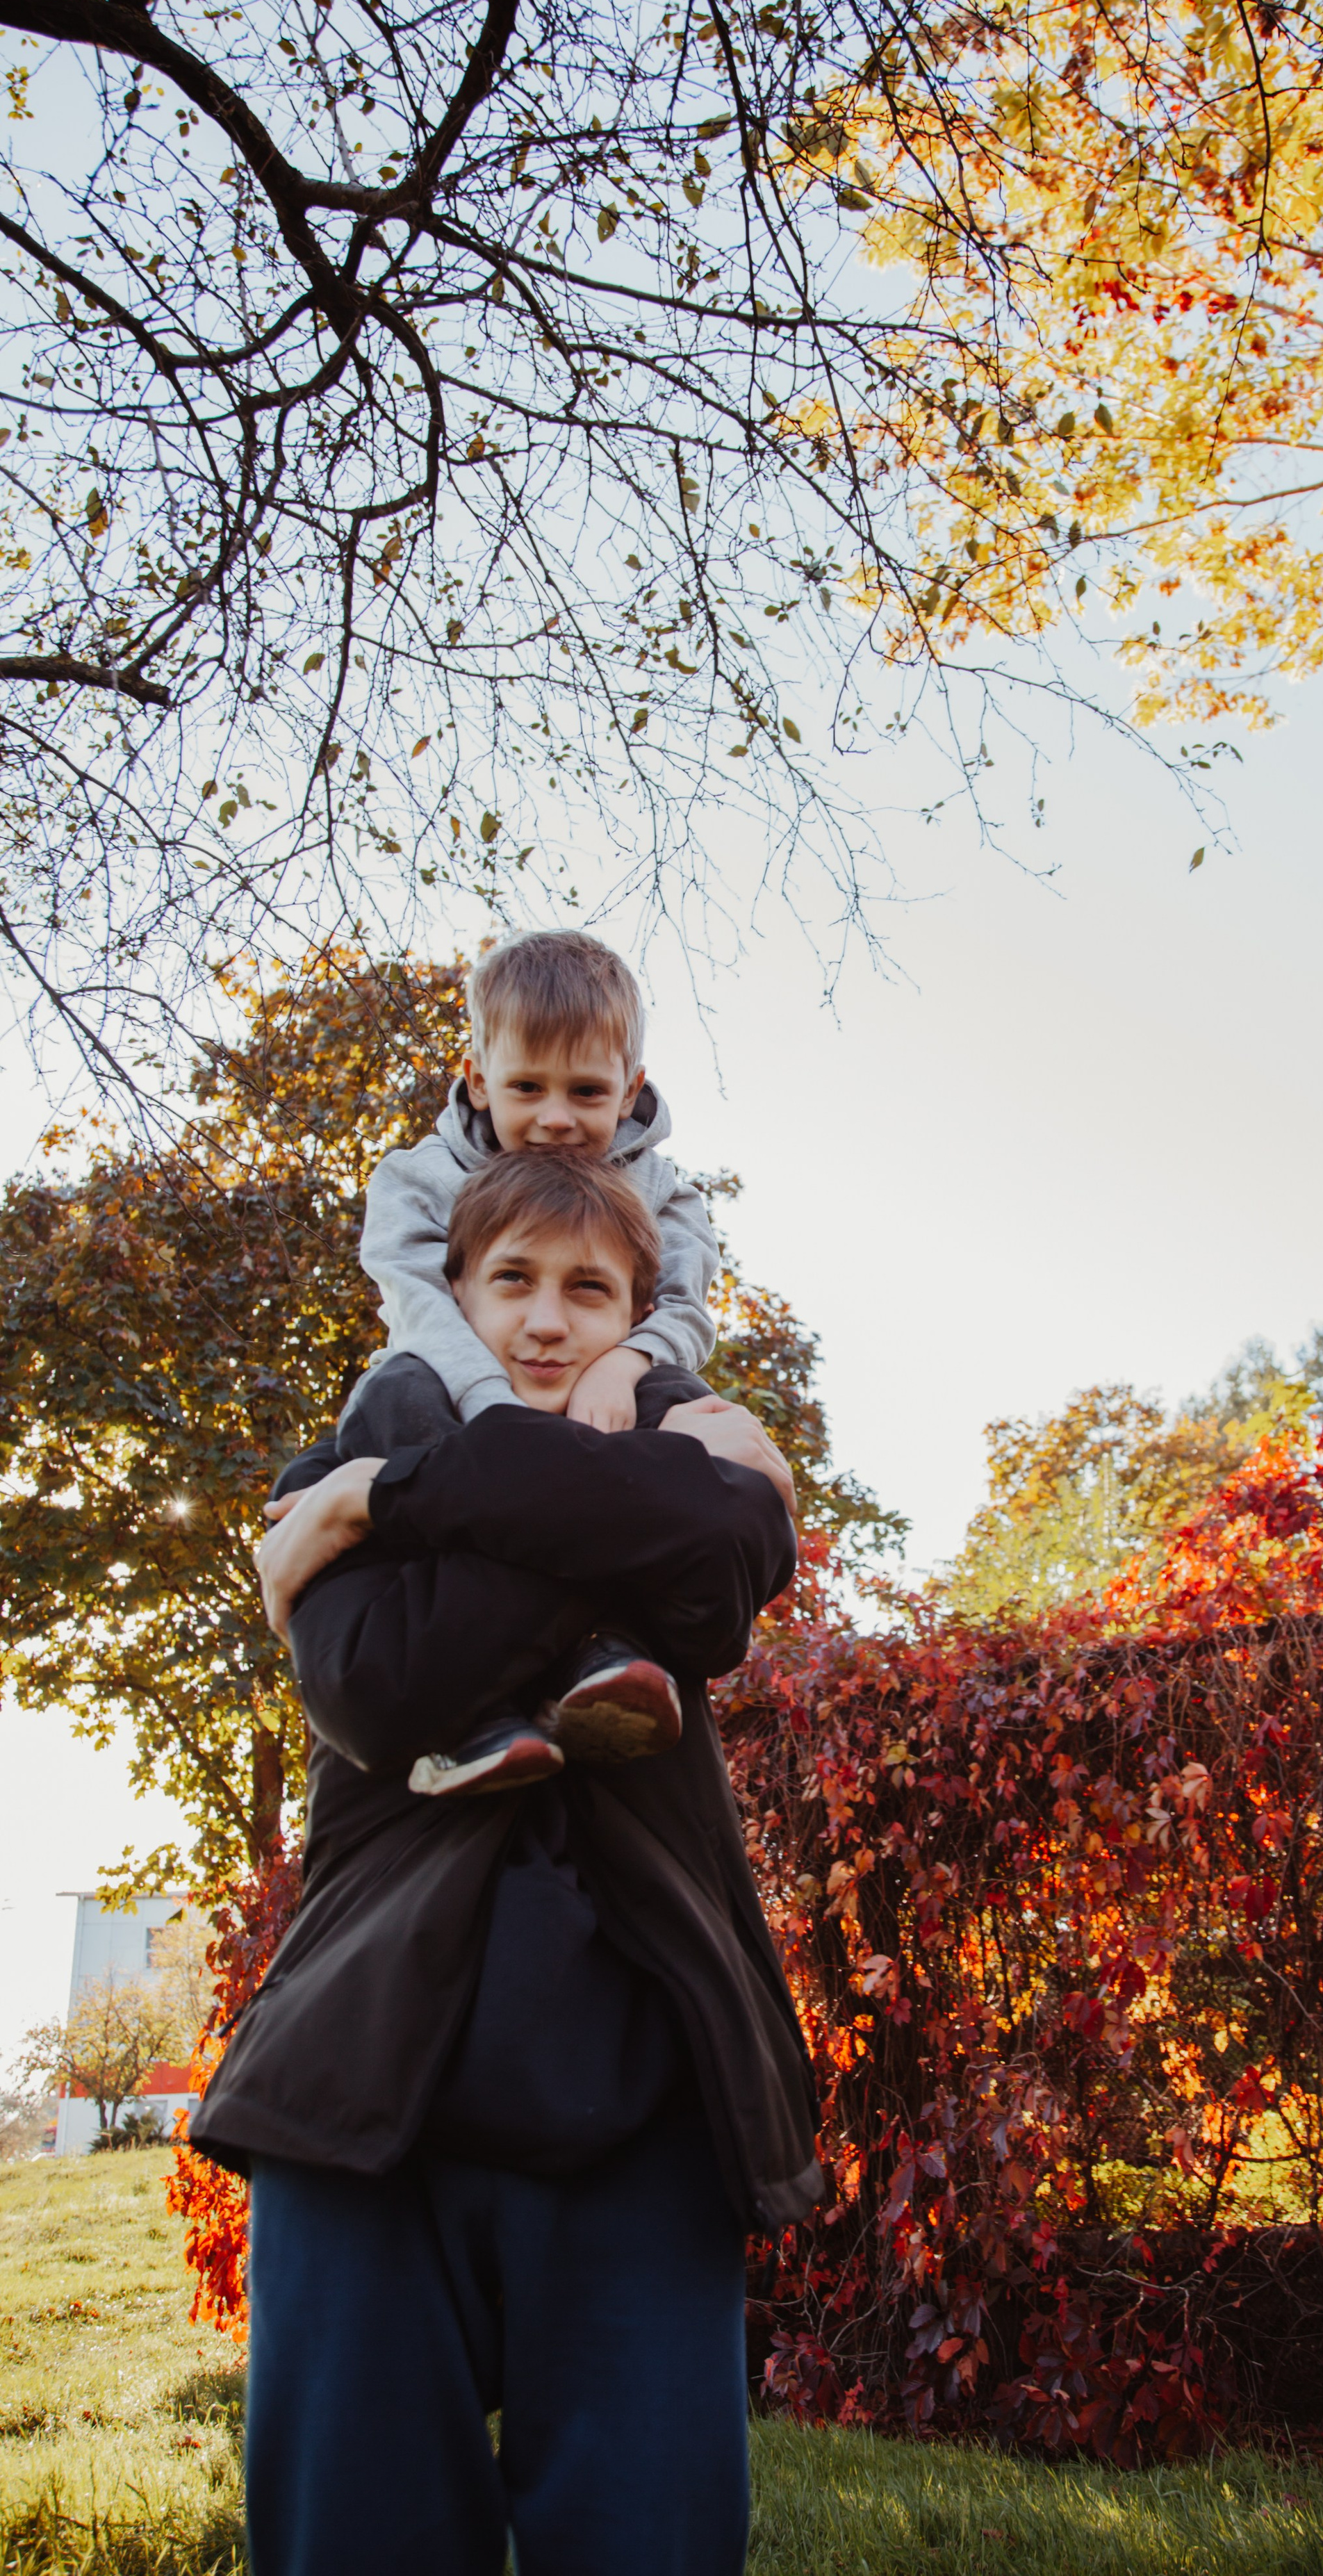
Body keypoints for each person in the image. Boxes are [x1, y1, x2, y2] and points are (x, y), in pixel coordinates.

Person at [190, 1147, 819, 2576]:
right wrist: (622, 1502)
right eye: (509, 1284)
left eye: (587, 1290)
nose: (544, 1321)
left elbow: (725, 1577)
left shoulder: (383, 1495)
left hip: (649, 2108)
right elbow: (383, 1686)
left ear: (640, 1322)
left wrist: (404, 1505)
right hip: (360, 2114)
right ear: (448, 1303)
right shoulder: (328, 1473)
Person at [342, 926, 721, 1775]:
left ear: (631, 1090)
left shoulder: (663, 1192)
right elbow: (421, 1309)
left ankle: (612, 1653)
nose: (555, 1119)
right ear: (479, 1079)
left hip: (596, 1399)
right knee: (398, 1394)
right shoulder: (421, 1179)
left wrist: (625, 1362)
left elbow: (689, 1307)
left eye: (586, 1091)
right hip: (457, 1400)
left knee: (678, 1417)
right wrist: (503, 1430)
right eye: (526, 1088)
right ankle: (465, 1719)